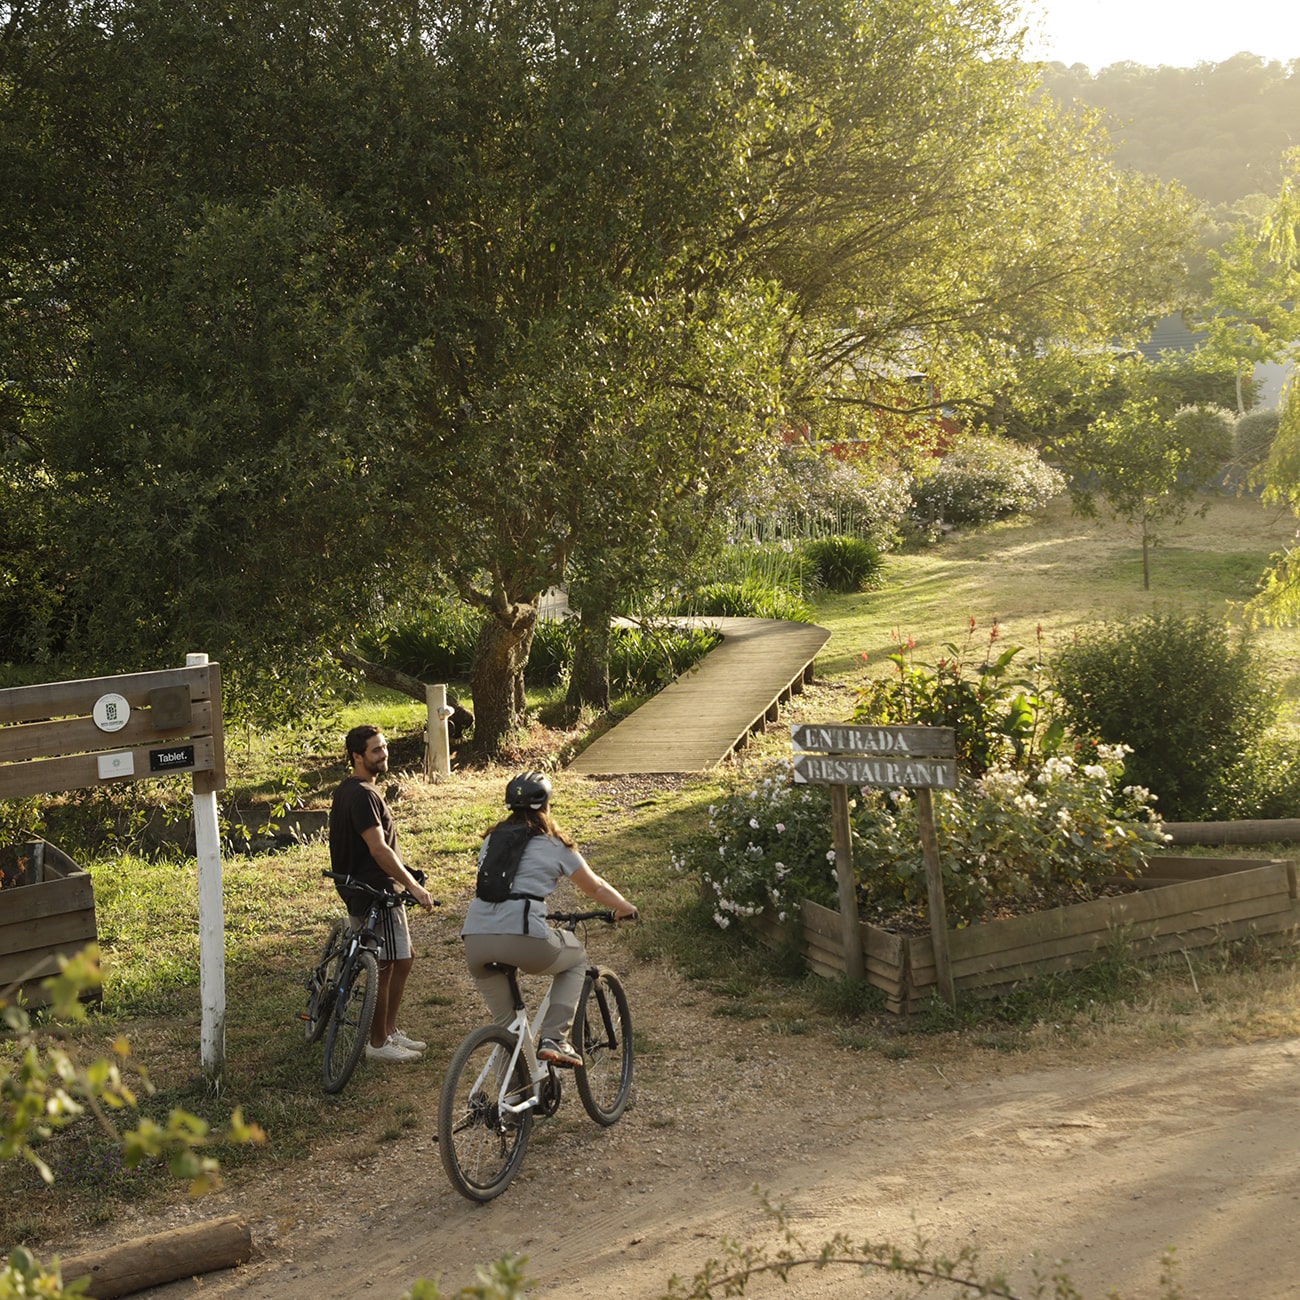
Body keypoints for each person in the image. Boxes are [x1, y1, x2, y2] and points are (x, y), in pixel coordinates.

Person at [461, 771, 637, 1067]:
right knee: (576, 957)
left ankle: (508, 1109)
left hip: (475, 939)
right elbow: (595, 887)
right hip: (522, 935)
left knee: (507, 1027)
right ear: (546, 806)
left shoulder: (491, 840)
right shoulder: (554, 843)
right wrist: (624, 907)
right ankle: (556, 1038)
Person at [329, 724, 436, 1064]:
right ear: (356, 757)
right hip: (376, 890)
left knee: (403, 957)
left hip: (359, 886)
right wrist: (414, 886)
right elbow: (379, 849)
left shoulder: (349, 789)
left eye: (384, 747)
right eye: (376, 750)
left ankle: (388, 1030)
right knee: (390, 963)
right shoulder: (363, 795)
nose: (384, 754)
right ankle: (378, 1042)